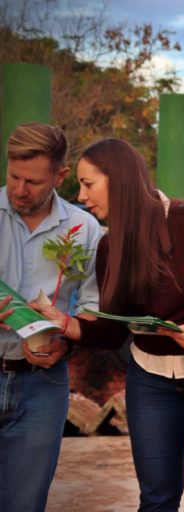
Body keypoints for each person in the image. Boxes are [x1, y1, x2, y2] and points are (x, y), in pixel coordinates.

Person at [34, 138, 184, 511]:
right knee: (155, 500)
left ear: (118, 178)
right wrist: (67, 324)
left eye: (88, 183)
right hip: (150, 379)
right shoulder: (109, 247)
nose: (81, 196)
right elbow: (115, 332)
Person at [0, 122, 101, 512]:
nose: (20, 190)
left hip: (43, 387)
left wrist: (68, 339)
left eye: (34, 182)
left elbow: (92, 306)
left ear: (60, 175)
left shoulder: (84, 228)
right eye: (14, 176)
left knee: (25, 505)